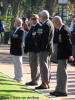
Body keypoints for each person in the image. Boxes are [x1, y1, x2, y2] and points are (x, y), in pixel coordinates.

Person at [50, 16, 73, 97]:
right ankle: (58, 89)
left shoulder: (64, 30)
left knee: (62, 73)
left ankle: (63, 91)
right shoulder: (59, 29)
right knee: (59, 73)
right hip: (61, 55)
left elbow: (69, 44)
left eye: (54, 23)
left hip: (64, 55)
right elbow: (57, 40)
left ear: (58, 22)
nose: (53, 25)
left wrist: (70, 55)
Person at [35, 10, 54, 89]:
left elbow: (45, 39)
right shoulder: (49, 23)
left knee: (44, 66)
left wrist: (41, 48)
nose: (39, 17)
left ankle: (44, 83)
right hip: (47, 48)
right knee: (46, 65)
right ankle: (46, 82)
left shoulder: (46, 24)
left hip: (44, 49)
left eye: (40, 16)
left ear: (43, 16)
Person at [24, 14, 42, 86]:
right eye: (32, 19)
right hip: (31, 49)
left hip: (37, 49)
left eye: (35, 19)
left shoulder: (40, 27)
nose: (33, 20)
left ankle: (35, 80)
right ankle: (33, 80)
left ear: (38, 19)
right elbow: (29, 38)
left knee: (36, 65)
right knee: (32, 65)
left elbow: (39, 37)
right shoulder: (32, 27)